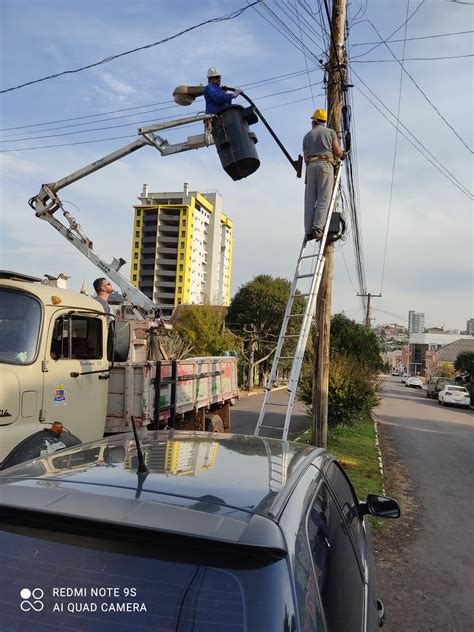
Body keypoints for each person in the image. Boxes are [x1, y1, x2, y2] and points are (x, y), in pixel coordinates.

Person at [303, 108, 344, 242]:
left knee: (309, 200)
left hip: (310, 167)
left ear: (314, 121)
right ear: (324, 122)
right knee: (323, 198)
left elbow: (305, 158)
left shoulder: (307, 136)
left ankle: (308, 231)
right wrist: (344, 154)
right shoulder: (330, 132)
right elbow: (337, 152)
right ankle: (317, 228)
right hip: (325, 165)